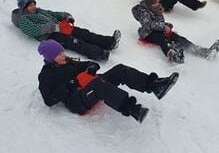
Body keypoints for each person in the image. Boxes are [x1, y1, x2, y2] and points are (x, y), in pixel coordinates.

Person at [37, 39, 179, 123]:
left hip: (88, 86)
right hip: (77, 101)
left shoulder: (67, 62)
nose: (63, 55)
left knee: (120, 69)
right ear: (50, 57)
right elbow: (48, 100)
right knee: (99, 84)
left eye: (62, 52)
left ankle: (154, 85)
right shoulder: (46, 75)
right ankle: (131, 108)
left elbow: (89, 64)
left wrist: (92, 67)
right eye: (59, 54)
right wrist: (68, 86)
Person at [11, 0, 121, 61]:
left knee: (83, 33)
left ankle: (109, 42)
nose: (33, 7)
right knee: (75, 42)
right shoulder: (24, 20)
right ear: (24, 8)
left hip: (61, 27)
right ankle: (99, 54)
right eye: (30, 6)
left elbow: (54, 14)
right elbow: (34, 30)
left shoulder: (40, 11)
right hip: (51, 36)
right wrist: (55, 28)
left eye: (34, 4)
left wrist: (66, 16)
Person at [132, 0, 219, 63]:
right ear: (149, 4)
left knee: (178, 38)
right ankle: (173, 55)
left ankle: (203, 52)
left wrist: (166, 25)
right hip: (148, 33)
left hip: (159, 29)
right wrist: (164, 27)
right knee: (164, 41)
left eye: (157, 1)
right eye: (155, 2)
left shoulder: (155, 8)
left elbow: (158, 22)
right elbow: (149, 24)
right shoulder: (143, 11)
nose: (158, 3)